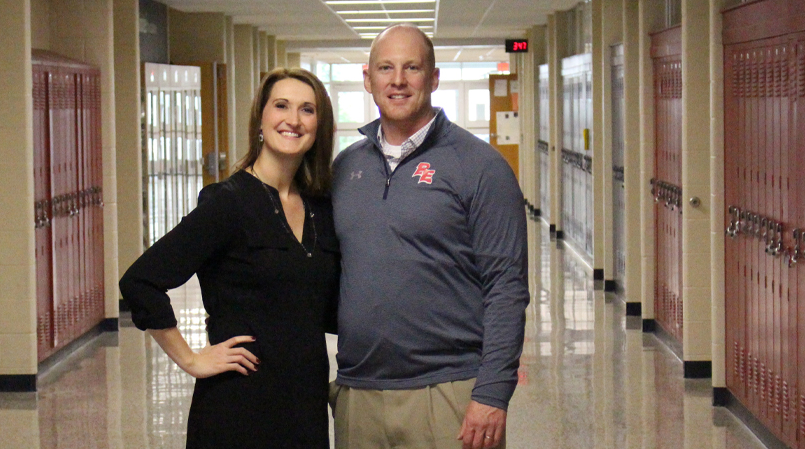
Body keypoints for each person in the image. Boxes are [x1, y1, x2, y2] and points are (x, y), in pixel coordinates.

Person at [330, 24, 529, 449]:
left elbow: (506, 286)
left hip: (450, 391)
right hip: (359, 391)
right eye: (385, 68)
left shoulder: (479, 166)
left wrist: (492, 392)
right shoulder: (345, 169)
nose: (397, 80)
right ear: (368, 79)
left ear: (433, 78)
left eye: (412, 67)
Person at [119, 68, 339, 448]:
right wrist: (191, 360)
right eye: (281, 105)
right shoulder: (229, 201)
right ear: (261, 119)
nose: (293, 119)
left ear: (320, 126)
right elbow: (141, 281)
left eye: (308, 109)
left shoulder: (322, 207)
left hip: (305, 404)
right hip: (238, 406)